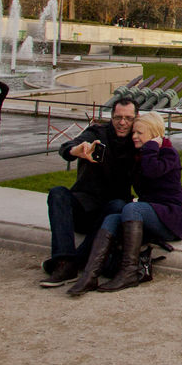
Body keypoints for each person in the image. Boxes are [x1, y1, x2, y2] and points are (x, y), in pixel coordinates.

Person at [69, 111, 182, 295]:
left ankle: (129, 273)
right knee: (112, 218)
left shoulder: (168, 153)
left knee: (132, 208)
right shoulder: (140, 156)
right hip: (149, 215)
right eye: (134, 132)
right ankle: (89, 276)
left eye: (139, 133)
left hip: (171, 217)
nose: (134, 136)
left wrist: (151, 146)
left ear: (154, 134)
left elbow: (152, 171)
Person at [39, 98, 139, 287]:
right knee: (57, 193)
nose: (122, 123)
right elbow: (67, 147)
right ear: (111, 117)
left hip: (111, 212)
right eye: (118, 117)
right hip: (85, 207)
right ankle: (64, 260)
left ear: (136, 118)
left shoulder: (137, 141)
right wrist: (77, 150)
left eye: (128, 118)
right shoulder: (97, 134)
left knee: (118, 206)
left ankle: (72, 263)